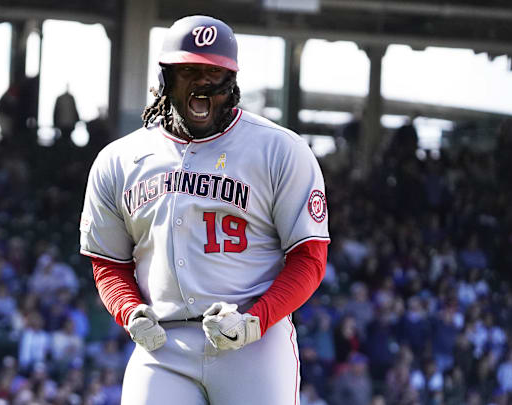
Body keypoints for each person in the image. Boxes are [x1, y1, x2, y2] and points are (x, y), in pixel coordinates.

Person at [79, 15, 330, 404]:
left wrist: (256, 321)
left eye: (213, 74)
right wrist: (128, 311)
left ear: (232, 83)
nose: (201, 84)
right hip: (164, 344)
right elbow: (108, 263)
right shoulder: (119, 159)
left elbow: (309, 259)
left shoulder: (280, 150)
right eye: (188, 72)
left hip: (253, 342)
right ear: (165, 80)